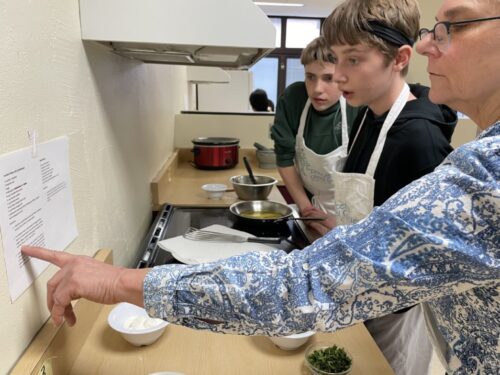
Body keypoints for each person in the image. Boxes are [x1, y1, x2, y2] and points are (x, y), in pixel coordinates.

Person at [22, 0, 499, 374]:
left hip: (389, 308)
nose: (426, 47)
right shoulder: (446, 143)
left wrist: (116, 280)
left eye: (453, 27)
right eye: (433, 30)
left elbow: (307, 286)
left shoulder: (482, 171)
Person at [315, 1, 458, 373]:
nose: (337, 74)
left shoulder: (419, 139)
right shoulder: (367, 115)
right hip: (360, 293)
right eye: (335, 58)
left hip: (396, 314)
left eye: (353, 60)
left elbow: (431, 254)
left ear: (399, 58)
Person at [271, 36, 360, 224]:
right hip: (312, 208)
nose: (317, 89)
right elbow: (285, 158)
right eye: (310, 77)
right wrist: (306, 210)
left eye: (328, 78)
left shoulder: (358, 105)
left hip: (355, 212)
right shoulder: (294, 99)